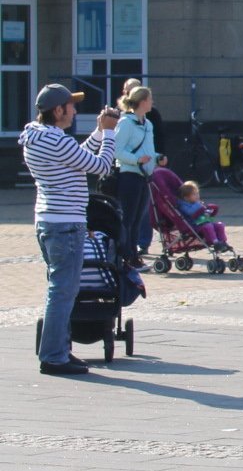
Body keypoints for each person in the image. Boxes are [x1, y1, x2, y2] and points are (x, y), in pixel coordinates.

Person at [25, 84, 119, 375]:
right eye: (70, 106)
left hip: (48, 221)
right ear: (58, 111)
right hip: (66, 224)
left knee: (59, 289)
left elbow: (78, 157)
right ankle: (54, 356)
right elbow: (101, 166)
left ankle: (59, 350)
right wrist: (111, 132)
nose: (74, 111)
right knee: (63, 292)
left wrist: (98, 133)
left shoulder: (37, 137)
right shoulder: (57, 141)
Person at [112, 86, 156, 266]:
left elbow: (149, 149)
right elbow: (116, 151)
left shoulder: (148, 124)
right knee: (128, 218)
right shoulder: (126, 123)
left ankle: (133, 254)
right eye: (150, 99)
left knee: (138, 218)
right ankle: (125, 255)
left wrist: (157, 157)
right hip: (129, 175)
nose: (152, 102)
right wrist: (136, 160)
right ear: (143, 102)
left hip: (144, 176)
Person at [175, 181, 232, 251]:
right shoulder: (183, 206)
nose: (197, 196)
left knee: (220, 225)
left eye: (197, 193)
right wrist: (199, 206)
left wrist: (207, 212)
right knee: (208, 226)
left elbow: (201, 211)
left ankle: (223, 242)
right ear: (186, 197)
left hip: (202, 222)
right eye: (194, 194)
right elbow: (191, 212)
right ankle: (215, 243)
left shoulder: (195, 203)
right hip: (194, 226)